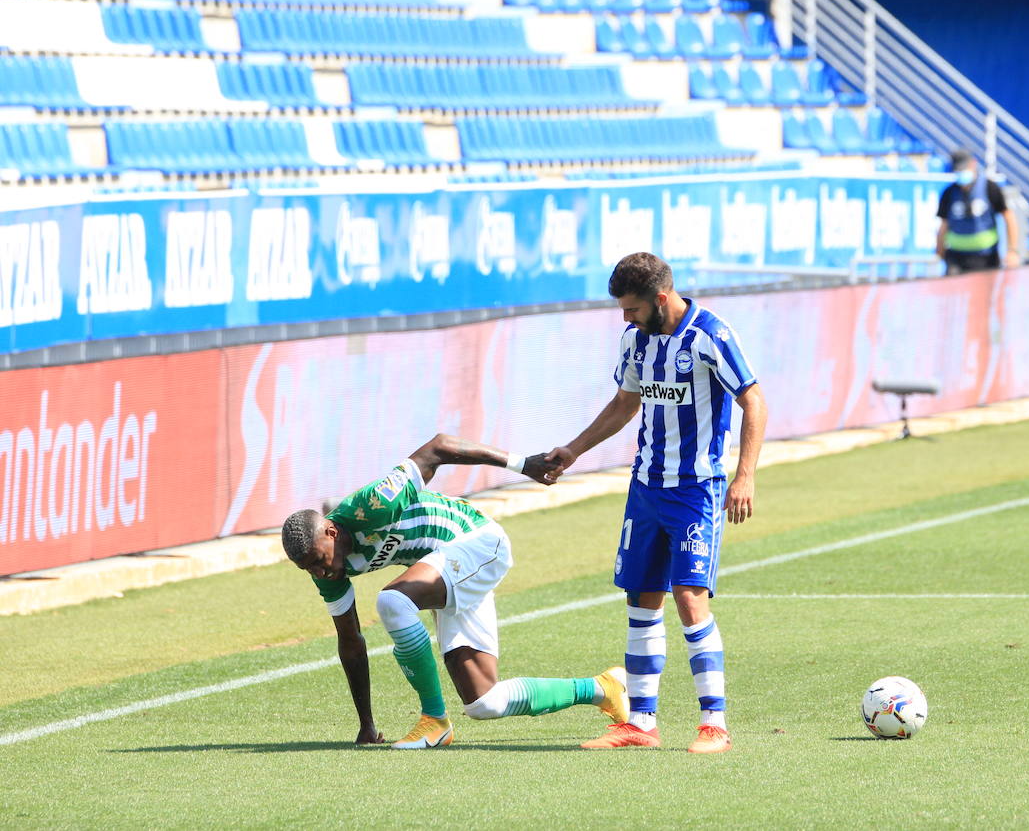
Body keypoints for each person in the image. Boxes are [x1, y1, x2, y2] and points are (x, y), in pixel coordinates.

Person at [546, 252, 768, 755]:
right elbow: (626, 403)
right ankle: (640, 723)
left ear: (660, 299)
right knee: (642, 599)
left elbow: (752, 399)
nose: (624, 317)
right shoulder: (635, 340)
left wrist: (745, 475)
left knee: (689, 598)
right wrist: (573, 450)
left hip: (697, 488)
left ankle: (714, 724)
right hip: (646, 487)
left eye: (631, 308)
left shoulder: (710, 334)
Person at [280, 434, 629, 749]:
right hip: (447, 571)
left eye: (318, 560)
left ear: (332, 533)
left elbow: (438, 447)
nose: (318, 571)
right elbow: (351, 641)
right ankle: (603, 688)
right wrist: (367, 725)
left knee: (393, 601)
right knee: (484, 702)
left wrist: (523, 465)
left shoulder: (372, 504)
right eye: (307, 568)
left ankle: (434, 720)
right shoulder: (326, 571)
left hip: (476, 542)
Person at [936, 149, 1022, 275]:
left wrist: (1013, 251)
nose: (961, 173)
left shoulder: (990, 187)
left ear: (973, 164)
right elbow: (943, 226)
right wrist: (939, 251)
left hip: (986, 258)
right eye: (958, 170)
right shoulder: (949, 193)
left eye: (963, 169)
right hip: (956, 258)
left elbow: (1009, 218)